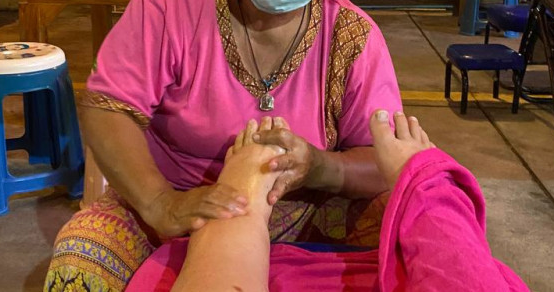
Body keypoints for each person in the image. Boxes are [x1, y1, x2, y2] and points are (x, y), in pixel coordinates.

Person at [45, 0, 403, 291]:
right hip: (171, 200)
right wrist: (159, 203)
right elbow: (107, 106)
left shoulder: (352, 38)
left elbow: (387, 161)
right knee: (81, 262)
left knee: (409, 241)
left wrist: (319, 168)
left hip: (308, 207)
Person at [130, 112, 530, 292]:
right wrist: (425, 184)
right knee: (457, 256)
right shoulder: (169, 5)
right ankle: (430, 191)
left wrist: (318, 167)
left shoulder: (354, 34)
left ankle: (242, 204)